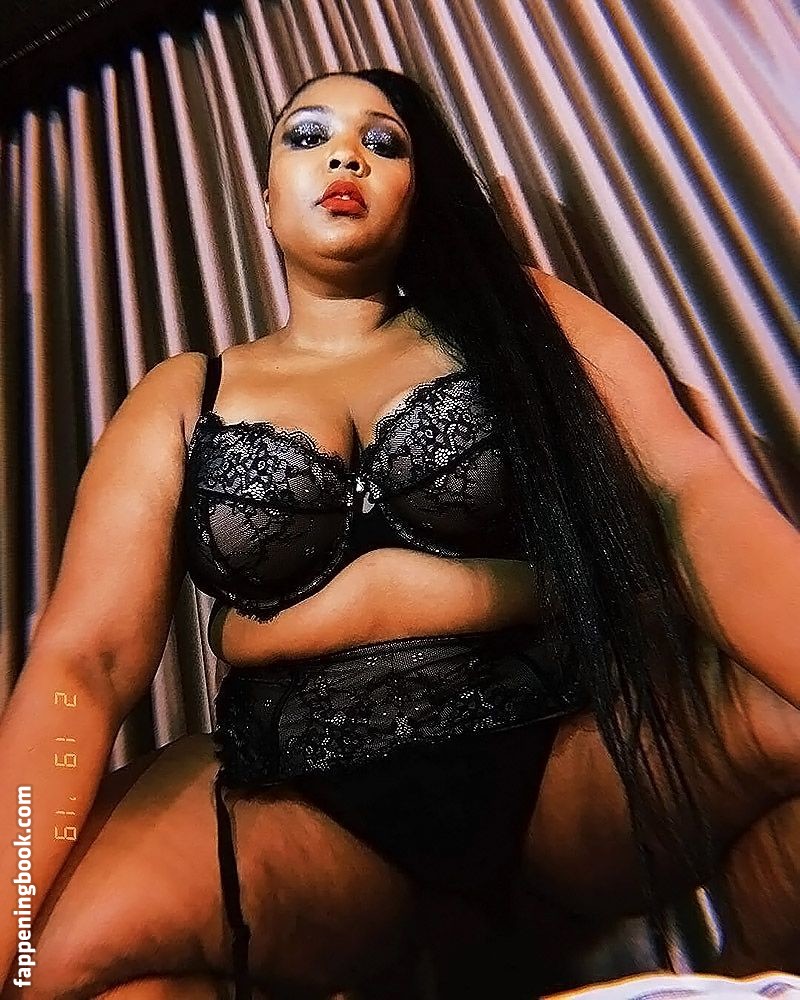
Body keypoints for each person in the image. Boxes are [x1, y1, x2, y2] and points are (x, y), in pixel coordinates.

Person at [1, 67, 798, 1000]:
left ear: (418, 192)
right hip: (306, 801)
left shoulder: (519, 316)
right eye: (308, 136)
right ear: (265, 194)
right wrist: (12, 900)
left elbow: (688, 492)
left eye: (383, 143)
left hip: (560, 754)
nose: (346, 156)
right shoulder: (185, 394)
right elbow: (85, 661)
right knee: (42, 963)